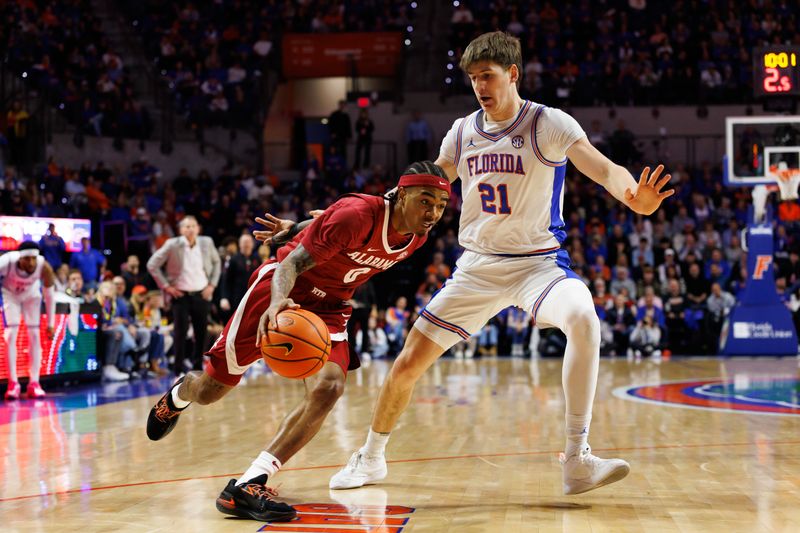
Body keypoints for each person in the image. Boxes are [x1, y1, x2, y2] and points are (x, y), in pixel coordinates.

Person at [330, 31, 673, 495]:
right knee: (407, 364)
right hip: (477, 267)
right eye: (473, 79)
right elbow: (422, 186)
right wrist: (343, 215)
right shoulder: (462, 131)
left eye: (487, 76)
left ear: (513, 74)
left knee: (584, 319)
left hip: (538, 265)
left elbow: (604, 168)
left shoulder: (548, 123)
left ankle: (577, 457)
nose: (480, 87)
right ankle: (370, 457)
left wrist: (635, 197)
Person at [144, 162, 450, 523]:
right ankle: (181, 393)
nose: (432, 213)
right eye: (424, 201)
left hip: (332, 306)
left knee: (330, 387)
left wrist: (299, 227)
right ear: (401, 195)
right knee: (211, 390)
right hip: (284, 288)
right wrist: (277, 302)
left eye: (441, 206)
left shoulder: (417, 236)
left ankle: (250, 483)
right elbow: (291, 264)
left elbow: (325, 227)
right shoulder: (357, 215)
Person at [146, 216, 220, 374]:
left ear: (198, 228)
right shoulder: (172, 244)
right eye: (186, 226)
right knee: (180, 332)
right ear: (180, 230)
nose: (190, 229)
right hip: (180, 295)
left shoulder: (206, 242)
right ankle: (178, 369)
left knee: (201, 332)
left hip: (202, 293)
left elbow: (217, 262)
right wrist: (166, 286)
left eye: (193, 226)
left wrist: (212, 285)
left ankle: (197, 367)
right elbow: (152, 264)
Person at [1, 242, 56, 399]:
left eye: (34, 258)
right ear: (20, 258)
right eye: (27, 259)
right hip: (10, 295)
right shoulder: (6, 262)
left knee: (35, 336)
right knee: (10, 335)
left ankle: (35, 383)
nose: (31, 263)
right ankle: (13, 383)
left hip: (31, 296)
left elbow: (50, 296)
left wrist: (51, 324)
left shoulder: (44, 267)